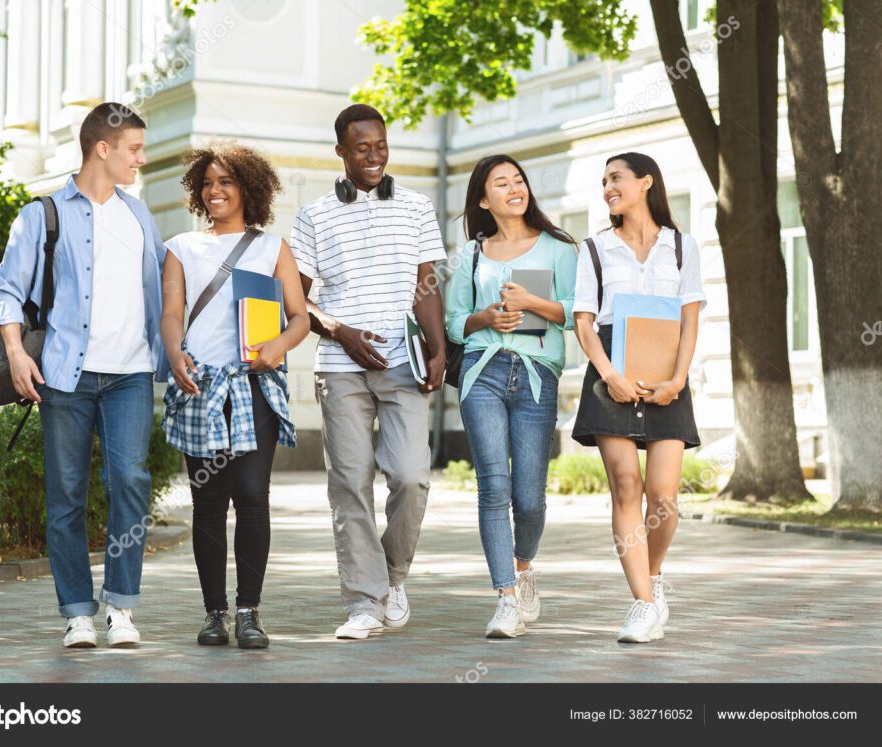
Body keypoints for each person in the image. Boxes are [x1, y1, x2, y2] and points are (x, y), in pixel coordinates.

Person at [0, 103, 170, 648]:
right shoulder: (42, 214)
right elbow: (6, 292)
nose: (142, 158)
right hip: (64, 375)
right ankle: (76, 613)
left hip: (131, 374)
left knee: (130, 484)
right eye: (134, 149)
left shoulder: (139, 215)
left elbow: (164, 283)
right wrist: (18, 354)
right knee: (66, 493)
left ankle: (121, 606)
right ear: (103, 149)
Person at [290, 104, 448, 639]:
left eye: (380, 145)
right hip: (340, 370)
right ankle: (362, 602)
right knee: (350, 484)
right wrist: (341, 333)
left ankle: (391, 576)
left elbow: (426, 284)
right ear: (341, 151)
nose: (374, 155)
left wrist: (438, 349)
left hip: (404, 363)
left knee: (411, 476)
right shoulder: (313, 216)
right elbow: (298, 302)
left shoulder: (417, 206)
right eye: (362, 147)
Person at [161, 142, 308, 649]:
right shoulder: (181, 246)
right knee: (207, 503)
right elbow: (172, 312)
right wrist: (174, 352)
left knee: (252, 498)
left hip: (253, 387)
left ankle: (249, 612)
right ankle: (214, 614)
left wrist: (279, 346)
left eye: (225, 181)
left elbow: (300, 316)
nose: (215, 191)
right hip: (201, 386)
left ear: (249, 188)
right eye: (207, 183)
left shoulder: (271, 247)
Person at [571, 152, 706, 643]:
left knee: (664, 498)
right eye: (603, 181)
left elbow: (690, 317)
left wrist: (678, 378)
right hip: (611, 371)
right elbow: (583, 321)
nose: (608, 187)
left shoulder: (681, 246)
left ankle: (653, 576)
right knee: (626, 484)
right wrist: (609, 375)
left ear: (646, 182)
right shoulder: (594, 249)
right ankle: (642, 605)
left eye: (616, 178)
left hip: (668, 370)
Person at [445, 155, 577, 638]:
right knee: (493, 487)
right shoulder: (470, 256)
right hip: (483, 372)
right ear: (484, 199)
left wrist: (529, 304)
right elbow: (452, 322)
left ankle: (523, 569)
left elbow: (573, 313)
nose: (513, 188)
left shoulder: (559, 248)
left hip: (537, 374)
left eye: (518, 180)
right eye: (501, 183)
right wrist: (487, 318)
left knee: (530, 498)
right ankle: (504, 597)